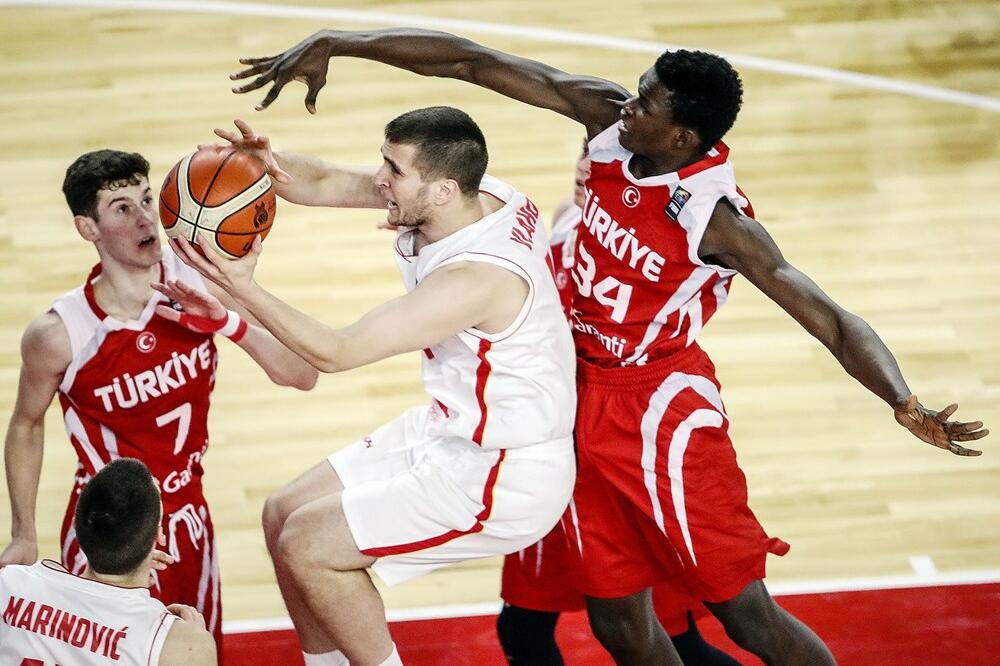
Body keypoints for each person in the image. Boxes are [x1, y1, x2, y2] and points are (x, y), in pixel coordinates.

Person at [227, 30, 990, 665]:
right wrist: (342, 43)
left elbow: (826, 314)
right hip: (565, 389)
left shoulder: (716, 222)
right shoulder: (608, 126)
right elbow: (473, 63)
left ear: (682, 135)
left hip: (654, 406)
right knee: (616, 619)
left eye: (649, 101)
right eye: (637, 87)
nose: (630, 102)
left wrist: (902, 400)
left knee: (743, 612)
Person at [170, 108, 577, 666]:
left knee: (308, 545)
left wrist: (242, 287)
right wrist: (263, 167)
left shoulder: (476, 278)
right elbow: (327, 182)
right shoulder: (482, 196)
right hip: (454, 428)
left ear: (441, 190)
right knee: (281, 513)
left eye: (393, 169)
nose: (379, 177)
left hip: (504, 471)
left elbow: (336, 353)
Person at [0, 149, 318, 658]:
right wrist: (22, 532)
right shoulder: (61, 333)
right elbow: (26, 423)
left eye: (147, 198)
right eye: (121, 208)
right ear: (88, 229)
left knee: (195, 652)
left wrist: (228, 319)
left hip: (189, 518)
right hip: (110, 532)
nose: (146, 216)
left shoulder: (203, 279)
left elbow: (301, 373)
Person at [497, 141, 738, 666]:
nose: (588, 165)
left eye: (602, 159)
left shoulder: (661, 238)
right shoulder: (564, 216)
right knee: (522, 627)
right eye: (584, 151)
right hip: (557, 448)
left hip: (619, 450)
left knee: (673, 640)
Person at [1, 457, 217, 665]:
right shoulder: (179, 645)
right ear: (158, 538)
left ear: (75, 527)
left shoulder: (10, 584)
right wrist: (192, 645)